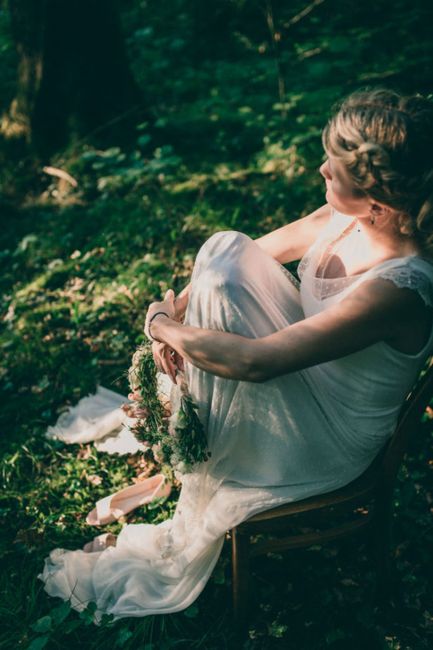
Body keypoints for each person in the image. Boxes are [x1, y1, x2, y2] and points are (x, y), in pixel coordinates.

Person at [40, 88, 433, 621]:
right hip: (304, 379)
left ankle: (202, 436)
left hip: (328, 438)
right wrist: (179, 310)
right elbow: (249, 254)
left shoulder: (397, 289)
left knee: (222, 281)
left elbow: (256, 362)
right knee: (225, 249)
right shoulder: (348, 217)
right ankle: (198, 416)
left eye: (333, 170)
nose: (319, 169)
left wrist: (160, 328)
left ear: (378, 202)